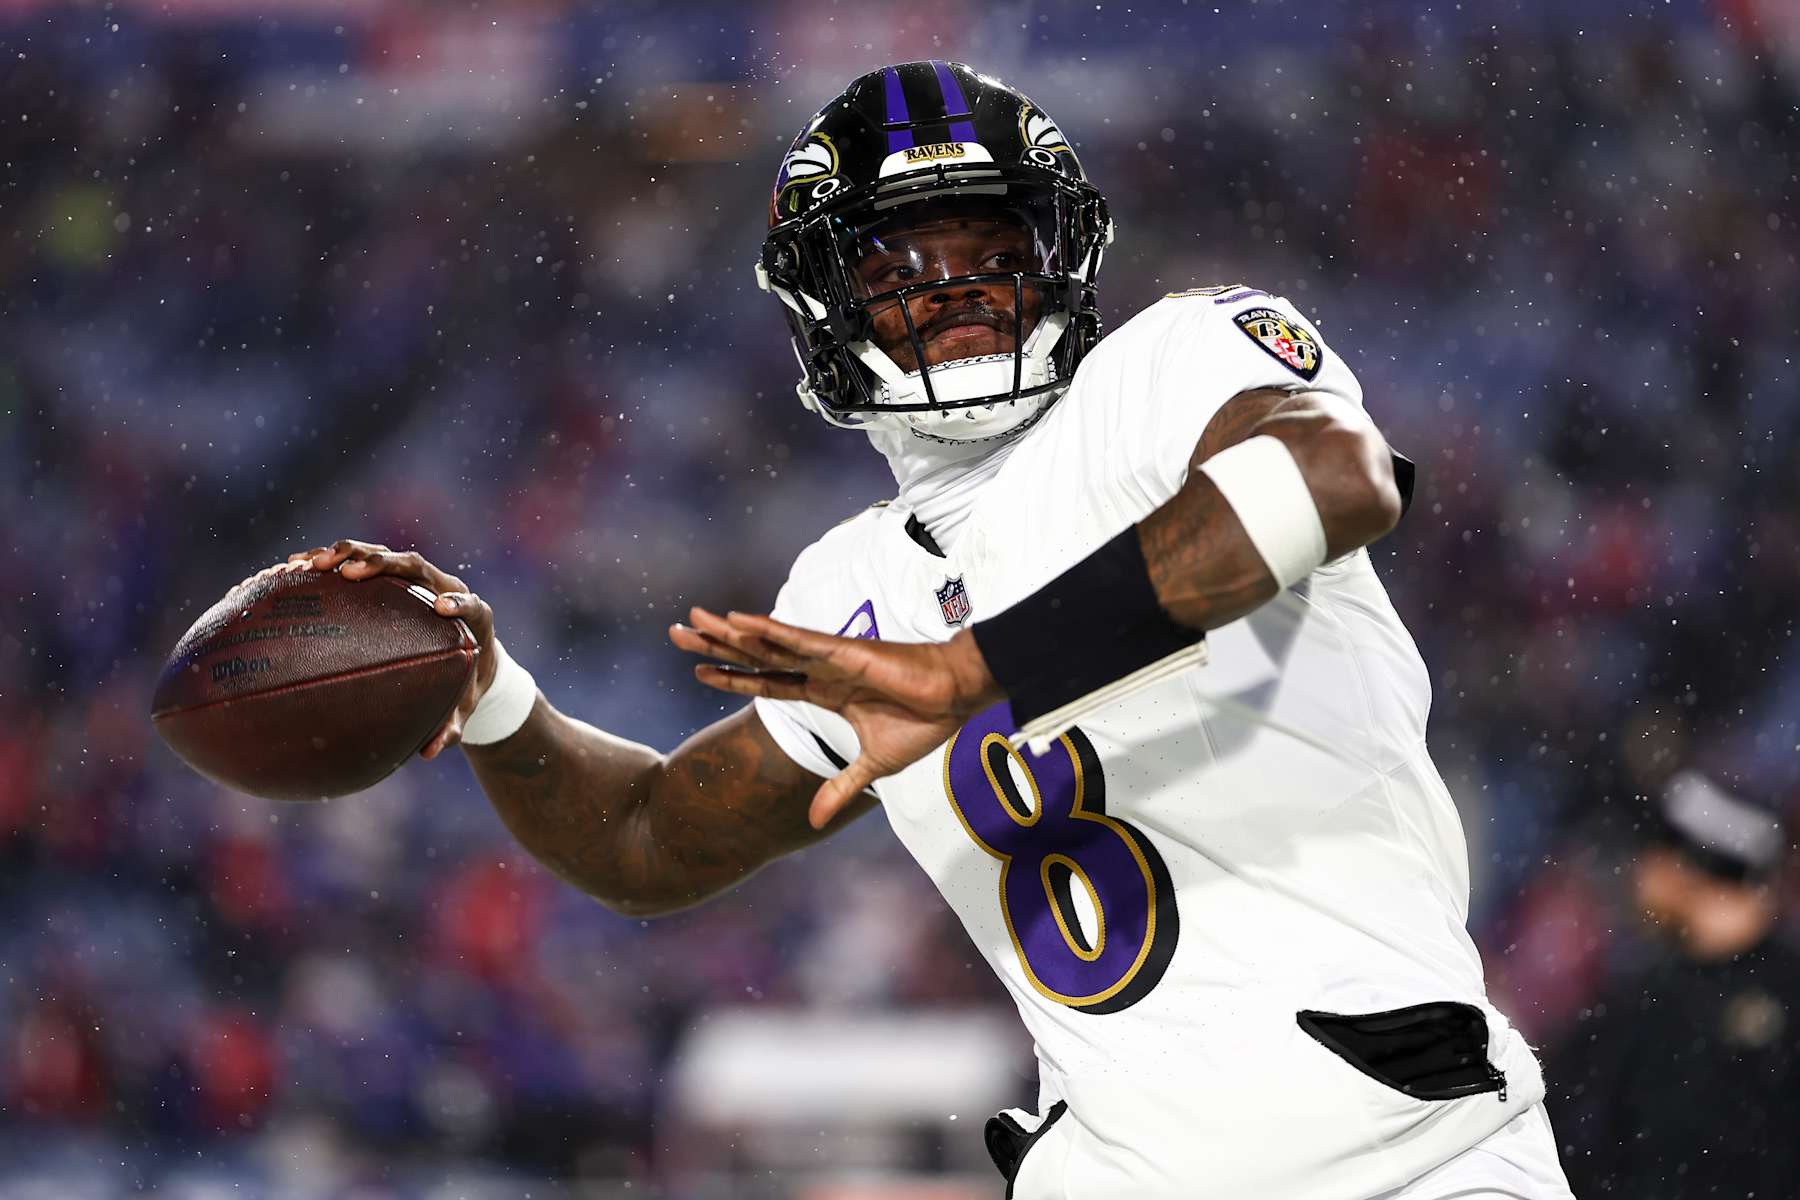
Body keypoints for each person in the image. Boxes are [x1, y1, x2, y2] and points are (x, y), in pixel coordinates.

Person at [288, 62, 1574, 1199]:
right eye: (897, 265)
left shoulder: (1171, 367)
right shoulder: (853, 586)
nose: (954, 290)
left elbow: (1337, 479)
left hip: (1413, 1159)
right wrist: (498, 700)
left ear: (1059, 250)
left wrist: (972, 671)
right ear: (821, 304)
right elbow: (649, 838)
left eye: (990, 247)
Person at [1552, 769, 1799, 1196]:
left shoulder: (1784, 996)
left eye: (1650, 849)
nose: (1636, 868)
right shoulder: (1649, 986)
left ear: (1686, 865)